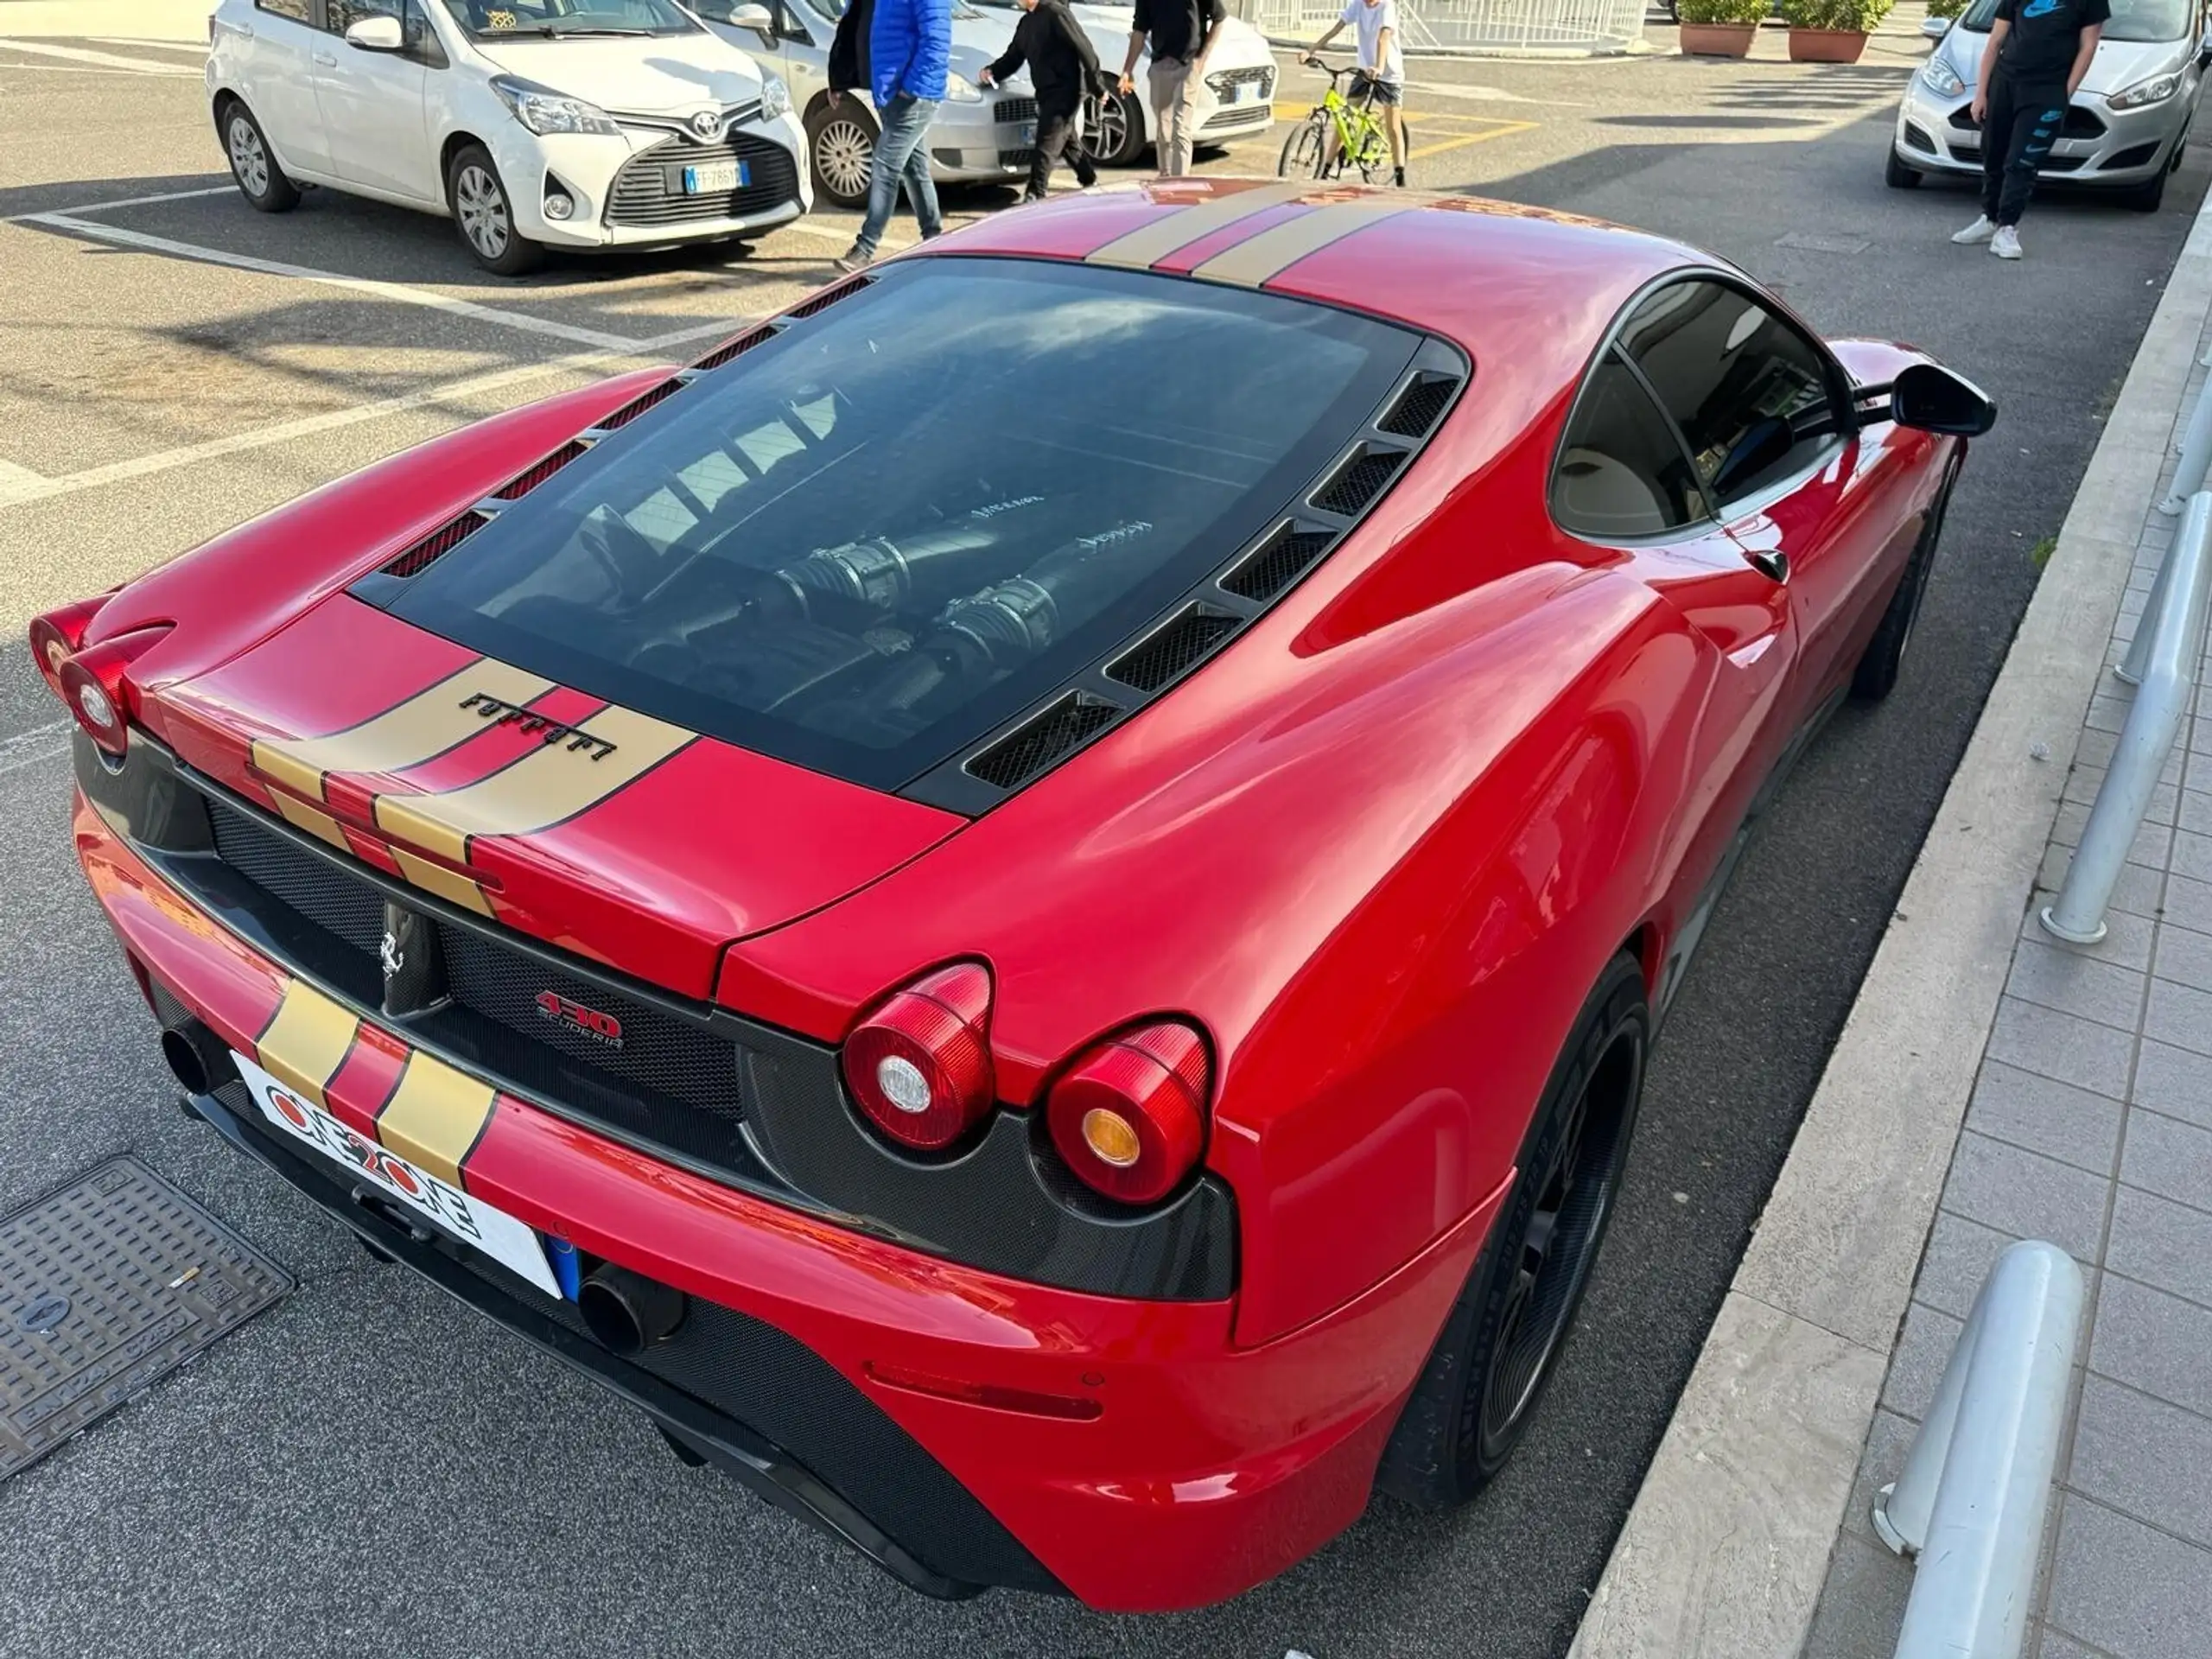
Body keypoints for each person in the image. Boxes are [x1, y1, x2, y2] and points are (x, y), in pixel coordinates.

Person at [1951, 0, 2108, 260]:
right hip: (2005, 83)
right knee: (1993, 153)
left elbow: (2088, 47)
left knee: (2022, 160)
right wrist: (1981, 94)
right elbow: (1995, 41)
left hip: (2047, 91)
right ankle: (1989, 220)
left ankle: (2007, 228)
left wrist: (2064, 94)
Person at [836, 0, 952, 272]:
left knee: (885, 165)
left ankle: (865, 248)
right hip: (892, 94)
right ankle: (934, 239)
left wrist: (911, 89)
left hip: (913, 97)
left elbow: (936, 41)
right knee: (914, 169)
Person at [980, 0, 1102, 202]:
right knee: (1065, 141)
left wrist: (1097, 85)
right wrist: (993, 72)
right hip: (1046, 91)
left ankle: (1035, 192)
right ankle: (1089, 179)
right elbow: (1014, 56)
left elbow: (1084, 48)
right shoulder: (1026, 23)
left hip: (1066, 89)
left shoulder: (1056, 12)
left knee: (1047, 141)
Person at [1116, 0, 1225, 179]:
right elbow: (1139, 31)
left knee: (1180, 127)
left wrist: (1201, 60)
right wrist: (1127, 70)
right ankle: (1166, 180)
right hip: (1160, 65)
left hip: (1188, 65)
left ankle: (1180, 184)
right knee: (1163, 129)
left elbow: (1219, 18)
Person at [1306, 0, 1407, 188]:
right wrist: (1310, 51)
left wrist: (1380, 67)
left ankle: (1400, 178)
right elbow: (1336, 28)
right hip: (1364, 71)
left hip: (1389, 73)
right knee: (1344, 120)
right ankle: (1325, 171)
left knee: (1393, 128)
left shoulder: (1387, 6)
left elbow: (1383, 37)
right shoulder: (1358, 5)